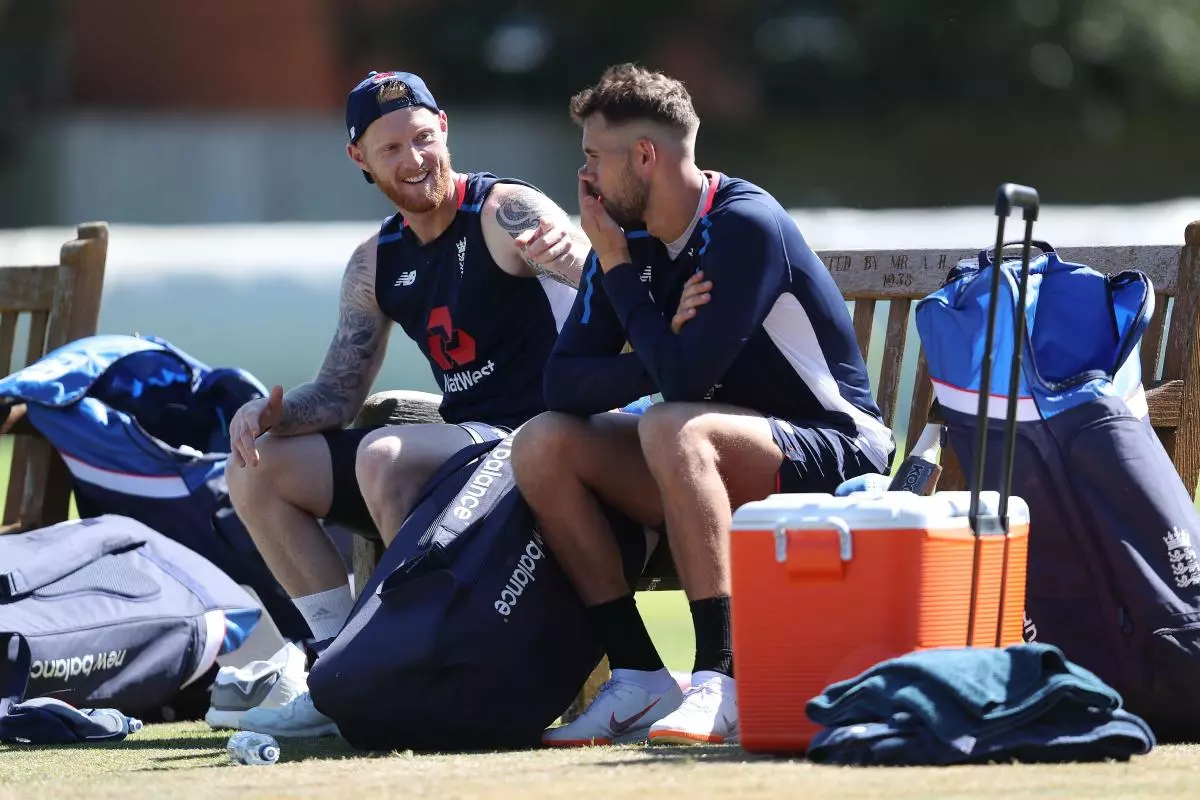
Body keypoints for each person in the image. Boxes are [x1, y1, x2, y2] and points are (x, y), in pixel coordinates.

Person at [511, 64, 895, 747]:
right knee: (543, 442)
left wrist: (626, 286)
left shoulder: (742, 224)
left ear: (646, 157)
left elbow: (685, 383)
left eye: (595, 158)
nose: (588, 180)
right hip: (702, 460)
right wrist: (646, 341)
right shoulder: (622, 244)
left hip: (834, 451)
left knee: (671, 424)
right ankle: (637, 677)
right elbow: (562, 387)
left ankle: (721, 681)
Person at [219, 70, 594, 738]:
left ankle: (417, 665)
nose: (415, 159)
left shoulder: (507, 211)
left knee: (389, 458)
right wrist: (268, 415)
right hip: (467, 449)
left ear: (445, 129)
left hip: (547, 442)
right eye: (391, 148)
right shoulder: (375, 261)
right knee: (256, 467)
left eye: (423, 138)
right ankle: (336, 667)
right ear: (358, 158)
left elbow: (603, 288)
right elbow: (337, 395)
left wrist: (578, 261)